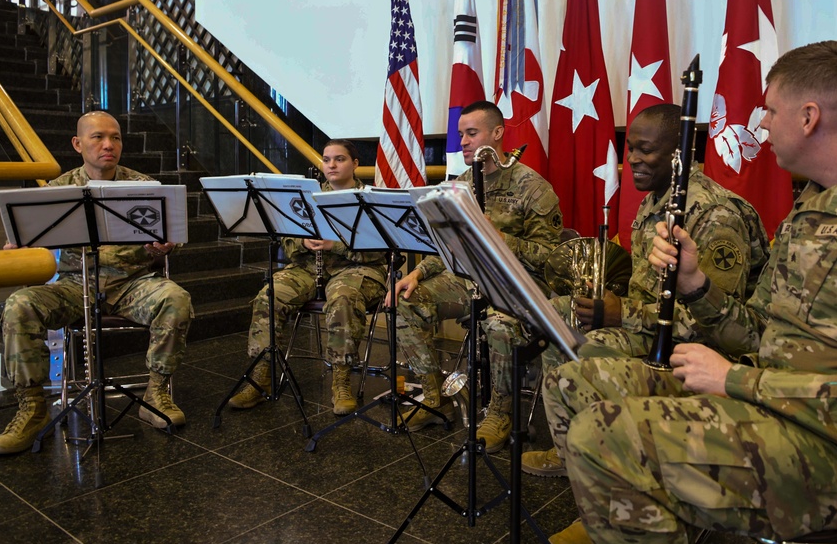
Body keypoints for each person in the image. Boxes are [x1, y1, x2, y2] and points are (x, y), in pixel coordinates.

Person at [541, 40, 837, 544]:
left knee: (604, 438)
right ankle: (636, 524)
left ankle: (638, 518)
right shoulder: (813, 208)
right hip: (775, 408)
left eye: (771, 111)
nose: (763, 125)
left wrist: (734, 379)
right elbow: (760, 333)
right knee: (571, 382)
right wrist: (695, 285)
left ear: (808, 117)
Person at [521, 103, 770, 477]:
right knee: (556, 314)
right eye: (630, 150)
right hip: (650, 328)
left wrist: (621, 313)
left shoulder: (714, 214)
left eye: (646, 150)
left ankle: (604, 463)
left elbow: (719, 325)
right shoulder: (656, 199)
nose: (633, 159)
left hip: (695, 348)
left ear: (678, 155)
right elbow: (645, 286)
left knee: (579, 346)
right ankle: (574, 450)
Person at [0, 111, 192, 456]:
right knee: (19, 304)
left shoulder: (143, 186)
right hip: (73, 284)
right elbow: (33, 241)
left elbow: (170, 238)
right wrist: (20, 244)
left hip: (131, 284)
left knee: (176, 298)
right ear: (78, 143)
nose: (108, 145)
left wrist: (163, 245)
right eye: (98, 137)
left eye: (115, 137)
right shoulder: (57, 189)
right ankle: (32, 409)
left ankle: (156, 392)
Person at [385, 100, 562, 452]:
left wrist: (502, 239)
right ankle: (435, 397)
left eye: (472, 133)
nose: (463, 141)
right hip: (470, 280)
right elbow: (449, 247)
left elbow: (552, 260)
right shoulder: (460, 185)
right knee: (406, 300)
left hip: (518, 284)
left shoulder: (532, 187)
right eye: (461, 134)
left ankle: (500, 412)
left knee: (499, 324)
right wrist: (418, 272)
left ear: (497, 134)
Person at [229, 139, 387, 416]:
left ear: (355, 164)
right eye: (327, 159)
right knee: (270, 296)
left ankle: (341, 380)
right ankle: (261, 375)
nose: (332, 165)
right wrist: (302, 243)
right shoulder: (307, 197)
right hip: (307, 268)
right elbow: (287, 240)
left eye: (340, 159)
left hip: (356, 270)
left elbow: (380, 250)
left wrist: (333, 245)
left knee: (343, 297)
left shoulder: (370, 198)